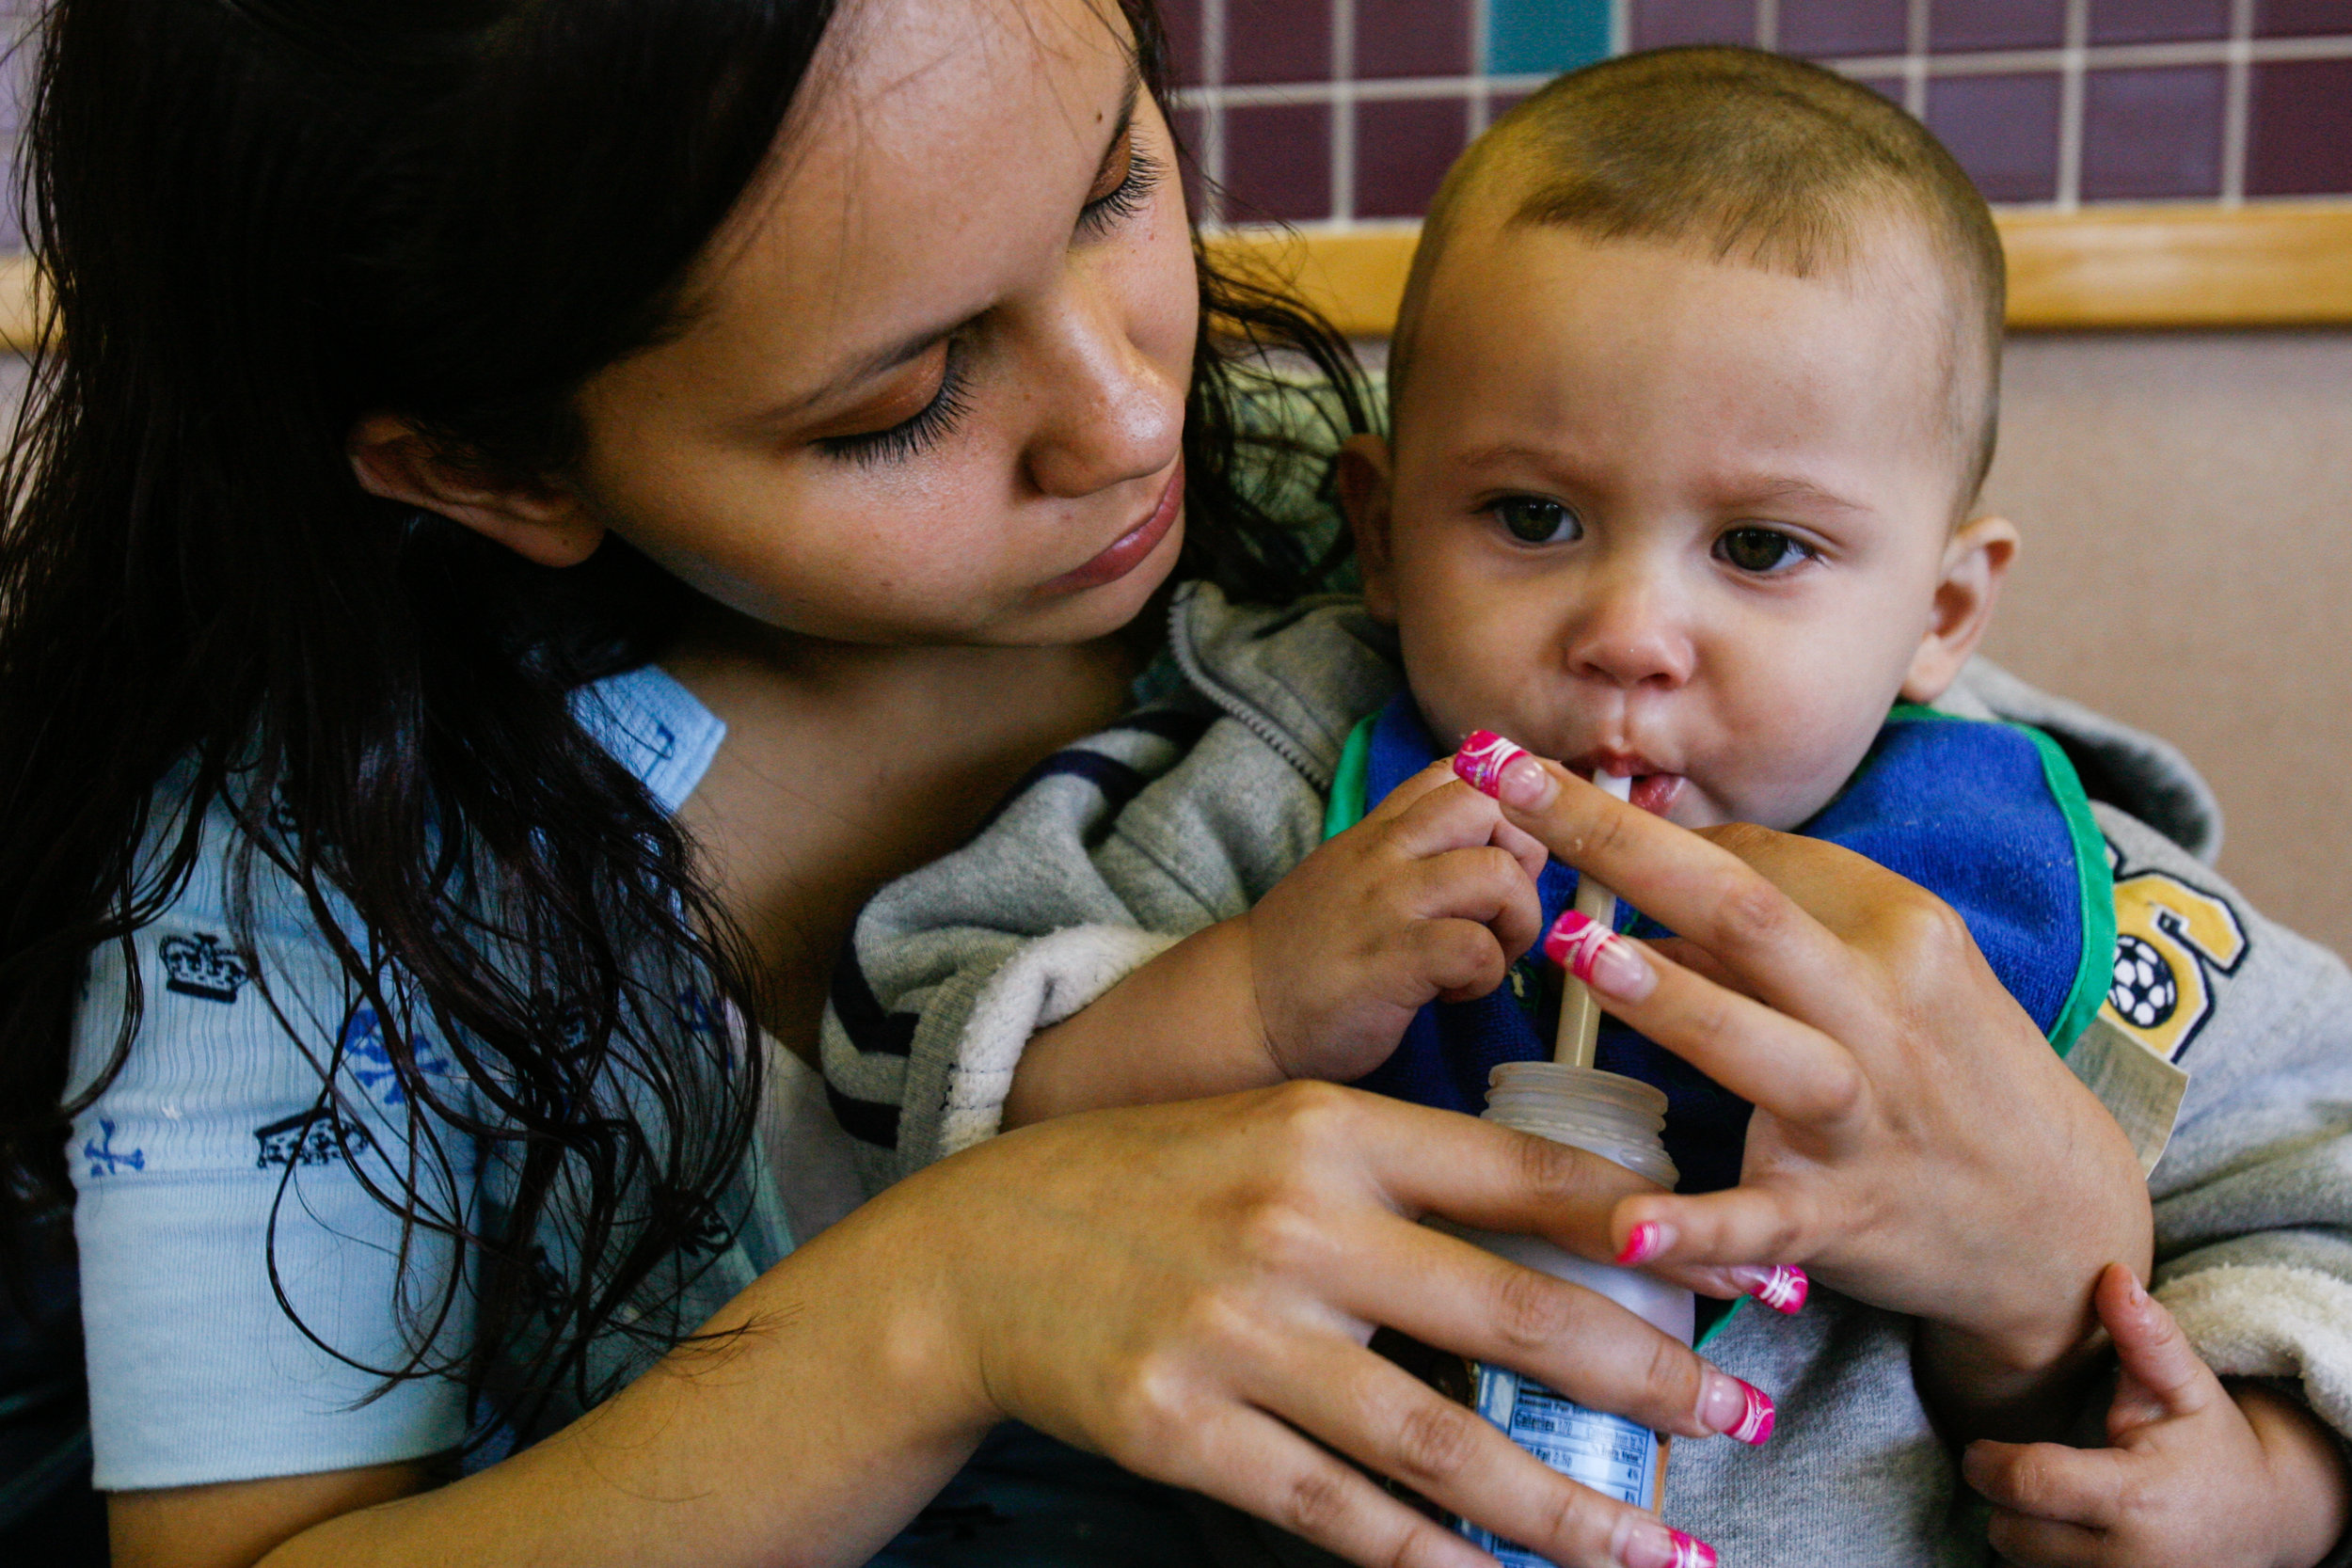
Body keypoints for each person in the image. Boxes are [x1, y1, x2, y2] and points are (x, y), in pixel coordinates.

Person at [0, 4, 2179, 1566]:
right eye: (905, 398)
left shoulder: (1416, 528)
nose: (1128, 413)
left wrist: (2055, 1284)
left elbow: (2088, 1029)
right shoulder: (294, 898)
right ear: (486, 459)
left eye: (1116, 183)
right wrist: (928, 1312)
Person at [824, 50, 2352, 1567]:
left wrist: (2270, 1485)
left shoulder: (2039, 889)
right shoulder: (1278, 797)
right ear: (1381, 530)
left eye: (1759, 547)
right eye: (1531, 518)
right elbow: (897, 1058)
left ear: (1943, 609)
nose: (1628, 629)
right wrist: (1243, 1003)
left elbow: (2319, 1180)